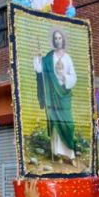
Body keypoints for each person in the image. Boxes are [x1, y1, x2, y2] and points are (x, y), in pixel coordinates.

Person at [34, 30, 77, 165]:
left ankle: (70, 154)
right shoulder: (49, 57)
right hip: (52, 95)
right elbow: (40, 70)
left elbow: (74, 77)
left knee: (68, 123)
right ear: (54, 41)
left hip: (64, 95)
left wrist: (64, 76)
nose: (58, 40)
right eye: (55, 38)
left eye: (60, 38)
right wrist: (38, 59)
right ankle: (57, 153)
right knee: (55, 124)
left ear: (63, 40)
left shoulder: (67, 58)